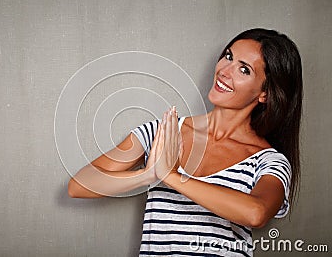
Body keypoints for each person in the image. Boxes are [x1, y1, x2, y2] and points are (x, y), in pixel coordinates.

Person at [68, 28, 303, 256]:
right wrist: (148, 175)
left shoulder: (268, 160)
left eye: (244, 70)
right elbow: (79, 185)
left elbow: (256, 213)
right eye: (229, 56)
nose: (225, 70)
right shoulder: (164, 133)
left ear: (265, 94)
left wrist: (171, 176)